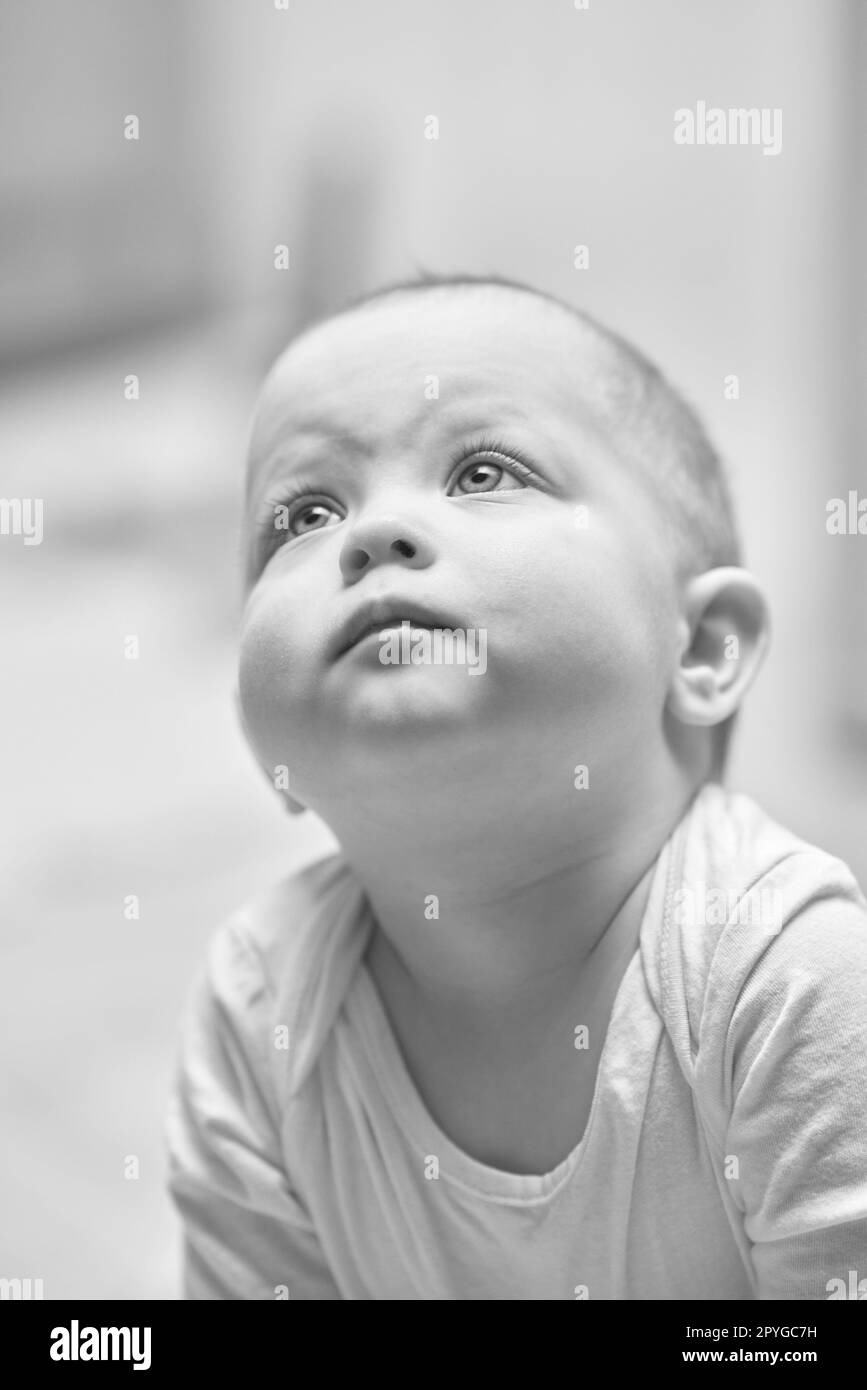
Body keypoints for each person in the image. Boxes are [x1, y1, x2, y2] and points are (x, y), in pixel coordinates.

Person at [164, 273, 867, 1299]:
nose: (372, 534)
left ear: (703, 647)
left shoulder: (785, 980)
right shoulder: (265, 1012)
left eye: (485, 471)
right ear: (259, 741)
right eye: (304, 512)